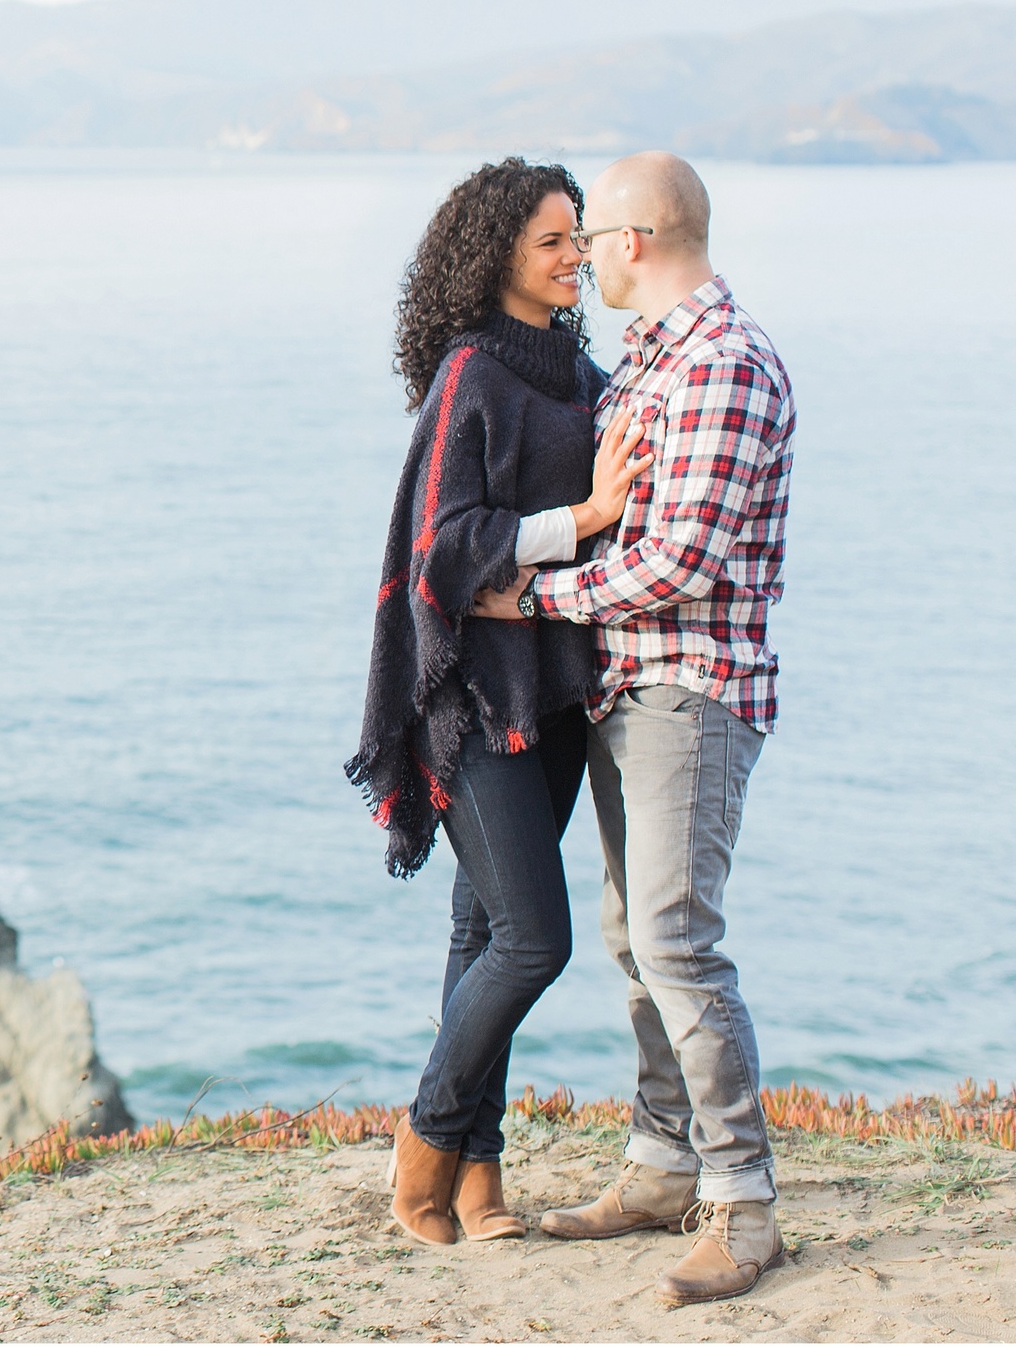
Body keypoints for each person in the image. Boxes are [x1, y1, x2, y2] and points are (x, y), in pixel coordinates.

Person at [471, 150, 796, 1307]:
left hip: (688, 693)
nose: (581, 259)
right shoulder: (651, 360)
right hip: (629, 687)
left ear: (637, 241)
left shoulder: (722, 364)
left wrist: (530, 595)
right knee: (632, 938)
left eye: (591, 238)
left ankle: (741, 1202)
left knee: (674, 941)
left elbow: (675, 562)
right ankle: (663, 1165)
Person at [346, 158, 649, 1247]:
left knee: (481, 932)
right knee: (534, 939)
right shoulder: (470, 373)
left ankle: (478, 1185)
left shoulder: (579, 371)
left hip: (558, 689)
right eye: (553, 243)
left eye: (580, 237)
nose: (576, 256)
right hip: (473, 697)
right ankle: (421, 1153)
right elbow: (442, 547)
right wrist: (586, 514)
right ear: (498, 259)